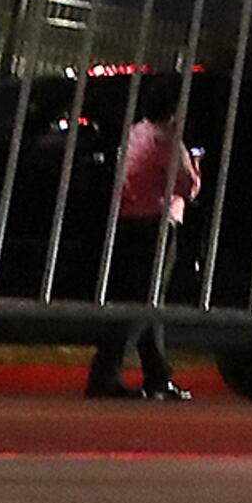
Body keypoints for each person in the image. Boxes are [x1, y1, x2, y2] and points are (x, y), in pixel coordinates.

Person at [88, 86, 204, 401]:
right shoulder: (167, 140)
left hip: (127, 220)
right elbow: (187, 186)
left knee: (142, 300)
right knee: (144, 303)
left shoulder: (134, 133)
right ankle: (105, 373)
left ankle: (157, 375)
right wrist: (195, 165)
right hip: (158, 222)